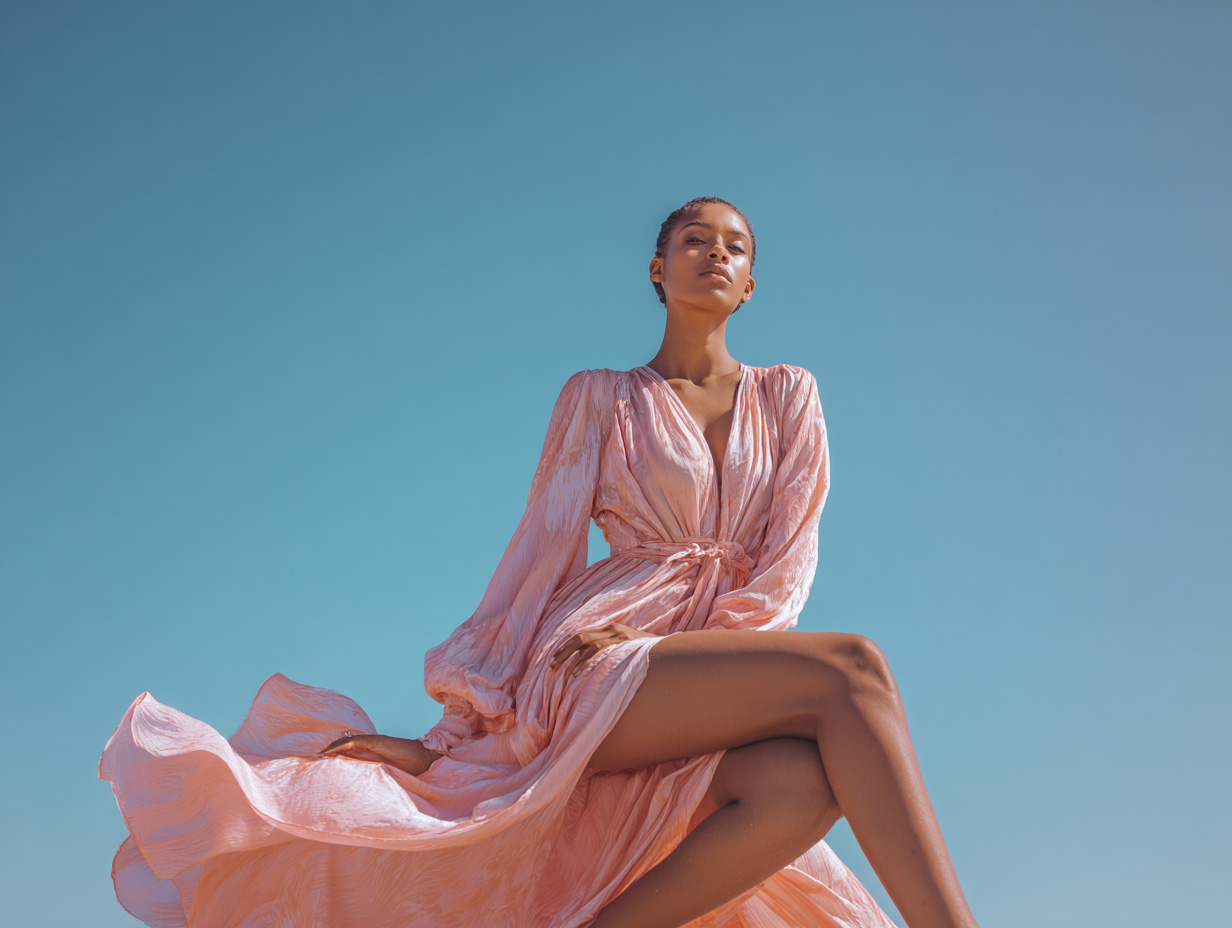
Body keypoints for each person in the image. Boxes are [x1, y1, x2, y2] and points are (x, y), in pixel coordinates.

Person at [99, 197, 980, 928]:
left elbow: (787, 562)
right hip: (600, 653)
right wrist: (449, 739)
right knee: (854, 670)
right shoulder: (598, 397)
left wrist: (717, 669)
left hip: (707, 657)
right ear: (657, 270)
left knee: (801, 783)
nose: (715, 253)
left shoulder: (791, 395)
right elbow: (538, 555)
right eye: (693, 240)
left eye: (735, 247)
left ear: (750, 285)